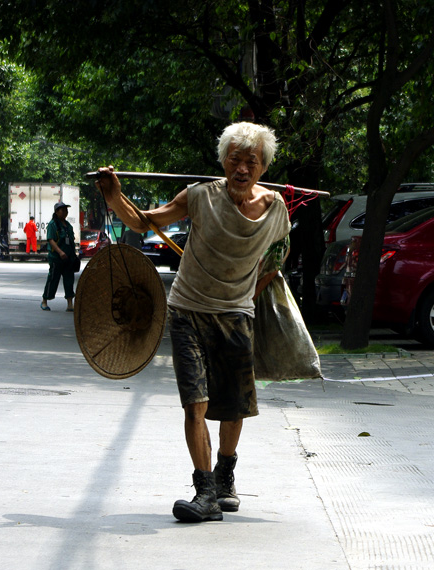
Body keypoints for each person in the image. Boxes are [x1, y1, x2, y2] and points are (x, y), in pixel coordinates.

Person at [95, 122, 290, 523]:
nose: (241, 168)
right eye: (234, 159)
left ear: (263, 167)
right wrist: (115, 197)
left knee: (233, 408)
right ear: (223, 161)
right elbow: (145, 221)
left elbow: (278, 256)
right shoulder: (201, 195)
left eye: (250, 161)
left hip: (237, 316)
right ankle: (205, 493)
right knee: (194, 404)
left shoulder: (275, 209)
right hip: (187, 311)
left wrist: (252, 289)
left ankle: (225, 475)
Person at [40, 202, 76, 312]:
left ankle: (70, 303)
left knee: (69, 280)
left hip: (68, 258)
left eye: (66, 210)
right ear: (57, 212)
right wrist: (60, 252)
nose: (65, 212)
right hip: (56, 258)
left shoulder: (67, 225)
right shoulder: (53, 224)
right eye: (63, 210)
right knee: (53, 279)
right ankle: (44, 301)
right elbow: (51, 240)